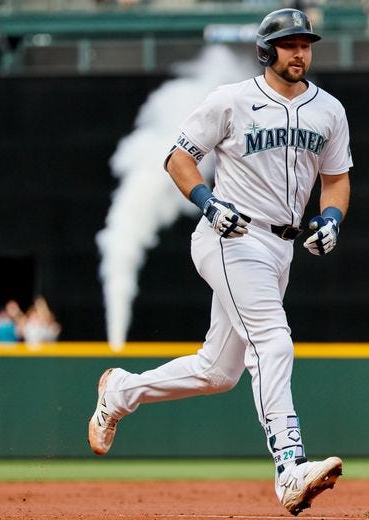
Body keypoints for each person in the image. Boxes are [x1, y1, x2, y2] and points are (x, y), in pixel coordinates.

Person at [88, 7, 352, 516]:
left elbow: (336, 177)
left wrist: (333, 218)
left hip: (279, 247)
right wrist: (208, 201)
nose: (300, 52)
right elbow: (178, 159)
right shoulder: (232, 100)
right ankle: (289, 467)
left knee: (218, 372)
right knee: (273, 341)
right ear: (266, 50)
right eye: (289, 43)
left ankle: (121, 391)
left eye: (305, 43)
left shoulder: (330, 111)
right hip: (229, 237)